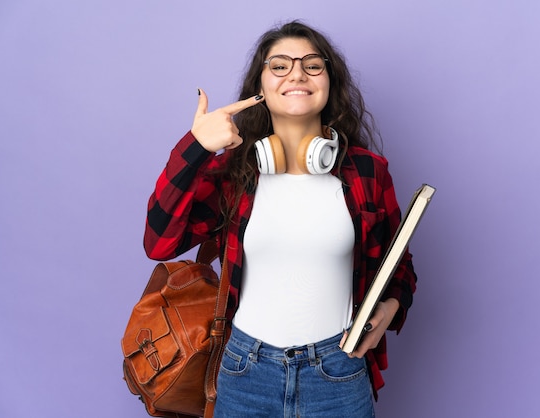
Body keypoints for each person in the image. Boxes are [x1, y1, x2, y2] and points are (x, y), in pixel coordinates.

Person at [144, 20, 417, 417]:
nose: (297, 74)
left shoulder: (368, 173)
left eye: (312, 64)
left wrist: (391, 305)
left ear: (329, 81)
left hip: (338, 371)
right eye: (280, 65)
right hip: (244, 370)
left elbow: (400, 265)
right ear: (261, 87)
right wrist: (197, 148)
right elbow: (159, 242)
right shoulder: (233, 175)